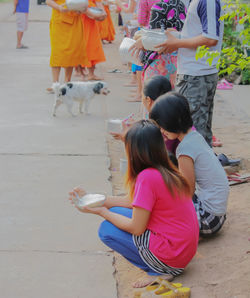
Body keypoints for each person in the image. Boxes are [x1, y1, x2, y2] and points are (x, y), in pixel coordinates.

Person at [69, 120, 199, 288]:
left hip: (172, 255)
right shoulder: (166, 170)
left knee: (106, 230)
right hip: (183, 249)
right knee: (116, 210)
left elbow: (136, 228)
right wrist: (94, 199)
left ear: (135, 152)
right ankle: (161, 264)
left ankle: (158, 270)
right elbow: (132, 202)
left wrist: (102, 212)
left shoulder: (147, 178)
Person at [150, 92, 229, 236]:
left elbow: (187, 191)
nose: (162, 131)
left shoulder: (184, 149)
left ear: (173, 122)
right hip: (218, 213)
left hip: (209, 219)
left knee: (162, 206)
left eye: (162, 127)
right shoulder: (195, 136)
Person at [155, 0, 224, 147]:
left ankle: (196, 169)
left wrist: (177, 43)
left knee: (192, 133)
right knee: (198, 132)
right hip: (195, 73)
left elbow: (210, 38)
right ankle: (201, 168)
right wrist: (176, 37)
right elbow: (198, 34)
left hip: (197, 74)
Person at [46, 0, 88, 92]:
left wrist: (81, 9)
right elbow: (48, 1)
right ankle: (55, 83)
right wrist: (59, 7)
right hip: (59, 21)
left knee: (71, 52)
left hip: (74, 22)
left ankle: (67, 82)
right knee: (57, 52)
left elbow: (84, 4)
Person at [81, 0, 107, 80]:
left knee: (93, 46)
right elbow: (81, 7)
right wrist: (95, 15)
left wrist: (103, 13)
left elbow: (98, 3)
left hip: (92, 23)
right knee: (82, 47)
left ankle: (91, 73)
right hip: (82, 22)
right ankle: (81, 71)